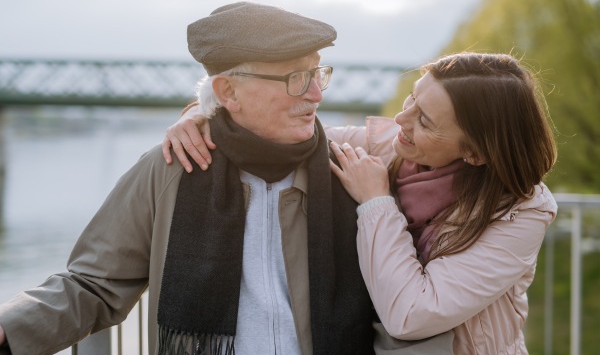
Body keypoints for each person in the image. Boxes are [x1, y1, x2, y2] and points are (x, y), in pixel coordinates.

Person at [0, 2, 453, 355]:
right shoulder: (168, 170)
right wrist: (9, 326)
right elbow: (93, 285)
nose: (315, 93)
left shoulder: (358, 174)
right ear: (228, 92)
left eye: (318, 73)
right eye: (296, 77)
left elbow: (404, 313)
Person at [163, 52, 557, 354]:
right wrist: (204, 111)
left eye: (425, 122)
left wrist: (375, 200)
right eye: (412, 98)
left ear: (475, 153)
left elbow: (410, 314)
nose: (401, 120)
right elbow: (278, 132)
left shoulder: (522, 213)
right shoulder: (387, 146)